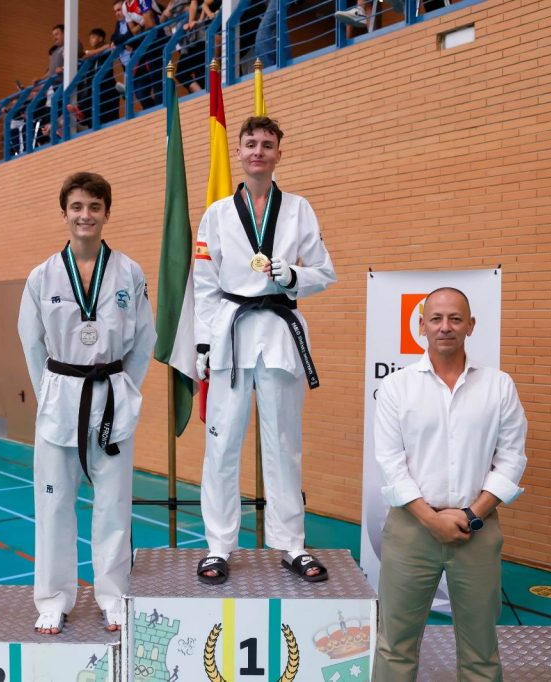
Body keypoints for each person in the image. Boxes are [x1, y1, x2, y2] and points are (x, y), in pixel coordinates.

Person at [194, 116, 336, 585]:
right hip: (231, 334)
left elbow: (324, 272)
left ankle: (291, 544)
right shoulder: (217, 213)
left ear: (279, 153)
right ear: (239, 151)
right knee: (221, 446)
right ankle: (218, 546)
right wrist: (202, 342)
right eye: (251, 143)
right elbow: (204, 283)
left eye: (267, 144)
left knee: (284, 445)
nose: (258, 151)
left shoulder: (298, 209)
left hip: (279, 333)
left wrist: (293, 276)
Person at [18, 172, 155, 635]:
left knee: (113, 505)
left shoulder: (129, 272)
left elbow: (144, 339)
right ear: (64, 213)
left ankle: (113, 596)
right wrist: (50, 393)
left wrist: (124, 389)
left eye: (94, 206)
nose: (85, 215)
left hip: (112, 394)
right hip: (61, 396)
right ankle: (53, 599)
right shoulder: (42, 276)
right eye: (77, 207)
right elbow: (31, 341)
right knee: (54, 505)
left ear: (106, 213)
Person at [373, 287, 528, 681]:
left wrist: (472, 514)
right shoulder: (396, 387)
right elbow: (390, 463)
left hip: (477, 529)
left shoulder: (498, 386)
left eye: (455, 319)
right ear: (421, 325)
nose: (446, 327)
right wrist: (430, 519)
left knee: (480, 651)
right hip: (411, 530)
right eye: (437, 319)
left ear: (470, 326)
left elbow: (512, 459)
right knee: (395, 646)